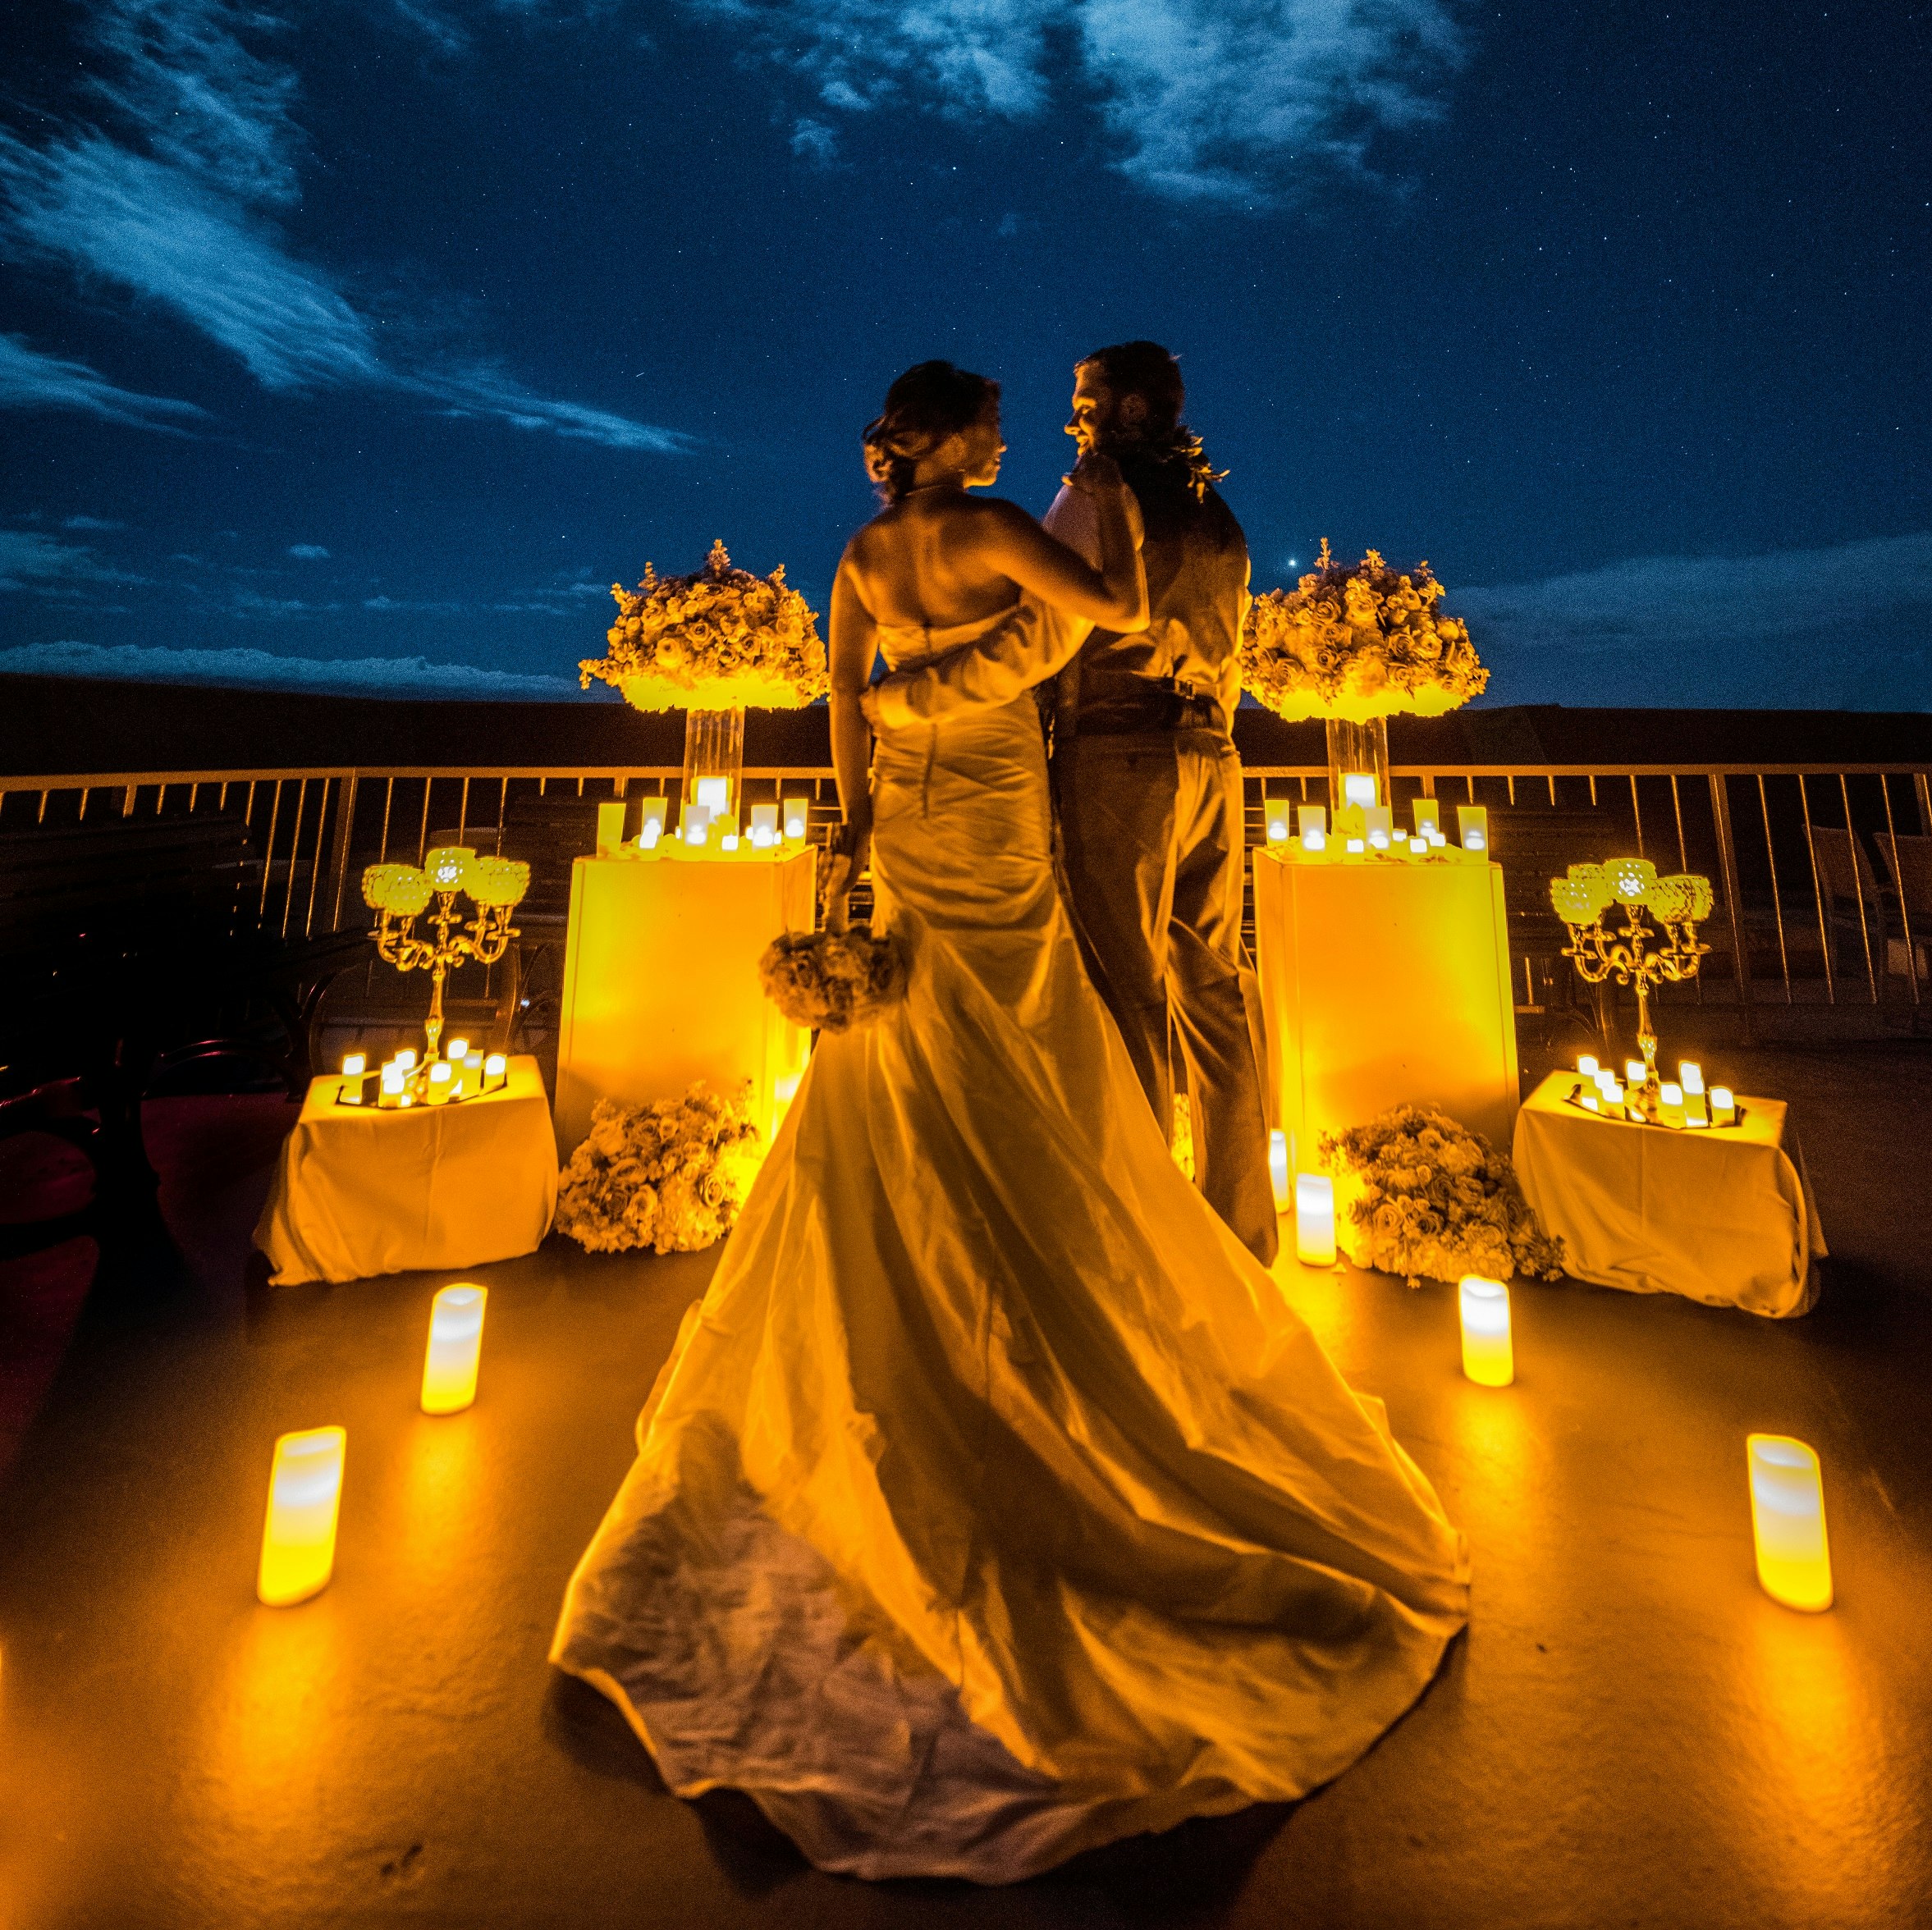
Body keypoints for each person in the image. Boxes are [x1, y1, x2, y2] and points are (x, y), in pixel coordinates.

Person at [551, 361, 1467, 1883]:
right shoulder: (991, 531)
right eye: (994, 421)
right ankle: (1063, 1326)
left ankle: (909, 1339)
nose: (1018, 433)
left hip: (907, 838)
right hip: (997, 829)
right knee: (1045, 1067)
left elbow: (848, 708)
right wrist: (979, 678)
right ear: (959, 442)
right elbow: (1105, 618)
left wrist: (856, 830)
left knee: (896, 1076)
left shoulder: (855, 559)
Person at [875, 341, 1275, 1261]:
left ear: (1131, 410)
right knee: (1214, 989)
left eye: (1086, 400)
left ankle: (1144, 1229)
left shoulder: (1095, 497)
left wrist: (916, 700)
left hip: (1120, 756)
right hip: (1215, 757)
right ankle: (1242, 1228)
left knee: (1122, 989)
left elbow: (1043, 636)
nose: (1073, 419)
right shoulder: (1217, 512)